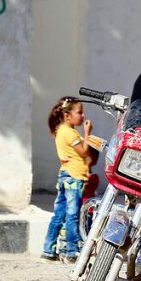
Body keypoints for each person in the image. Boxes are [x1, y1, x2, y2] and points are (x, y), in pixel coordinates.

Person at [41, 96, 94, 263]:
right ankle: (71, 251)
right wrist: (87, 133)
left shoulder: (59, 131)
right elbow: (84, 152)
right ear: (67, 115)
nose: (83, 115)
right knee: (72, 215)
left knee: (59, 214)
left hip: (65, 175)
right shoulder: (71, 133)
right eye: (79, 112)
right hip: (74, 176)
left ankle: (48, 250)